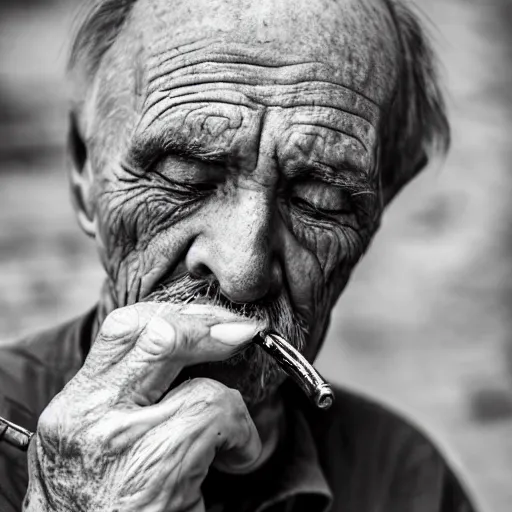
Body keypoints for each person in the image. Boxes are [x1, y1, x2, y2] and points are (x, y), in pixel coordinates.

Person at [0, 0, 477, 510]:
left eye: (320, 202)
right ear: (83, 172)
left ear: (385, 202)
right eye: (185, 178)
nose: (241, 272)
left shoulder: (407, 485)